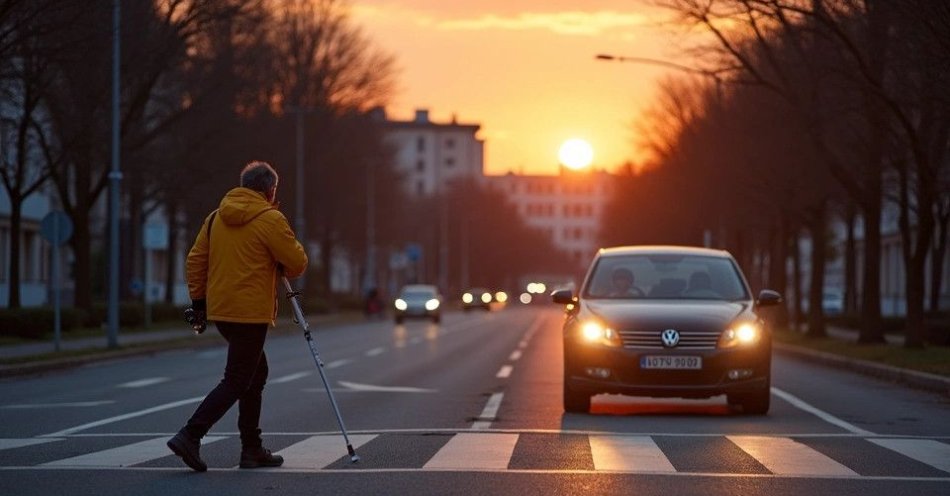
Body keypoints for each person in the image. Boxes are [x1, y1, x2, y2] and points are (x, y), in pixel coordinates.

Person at [167, 161, 308, 472]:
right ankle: (191, 435)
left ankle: (252, 448)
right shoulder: (271, 218)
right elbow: (296, 263)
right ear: (270, 190)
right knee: (237, 379)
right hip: (250, 311)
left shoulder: (216, 217)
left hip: (222, 310)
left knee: (255, 374)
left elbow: (195, 261)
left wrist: (199, 303)